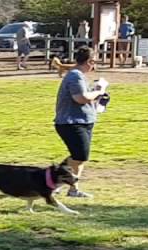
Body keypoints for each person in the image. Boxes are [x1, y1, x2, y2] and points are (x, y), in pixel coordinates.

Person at [54, 46, 106, 199]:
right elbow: (80, 98)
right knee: (80, 156)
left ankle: (72, 189)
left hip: (83, 121)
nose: (94, 65)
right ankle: (54, 179)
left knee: (78, 157)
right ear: (89, 61)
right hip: (71, 122)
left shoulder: (79, 76)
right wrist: (98, 92)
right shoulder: (75, 76)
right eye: (94, 61)